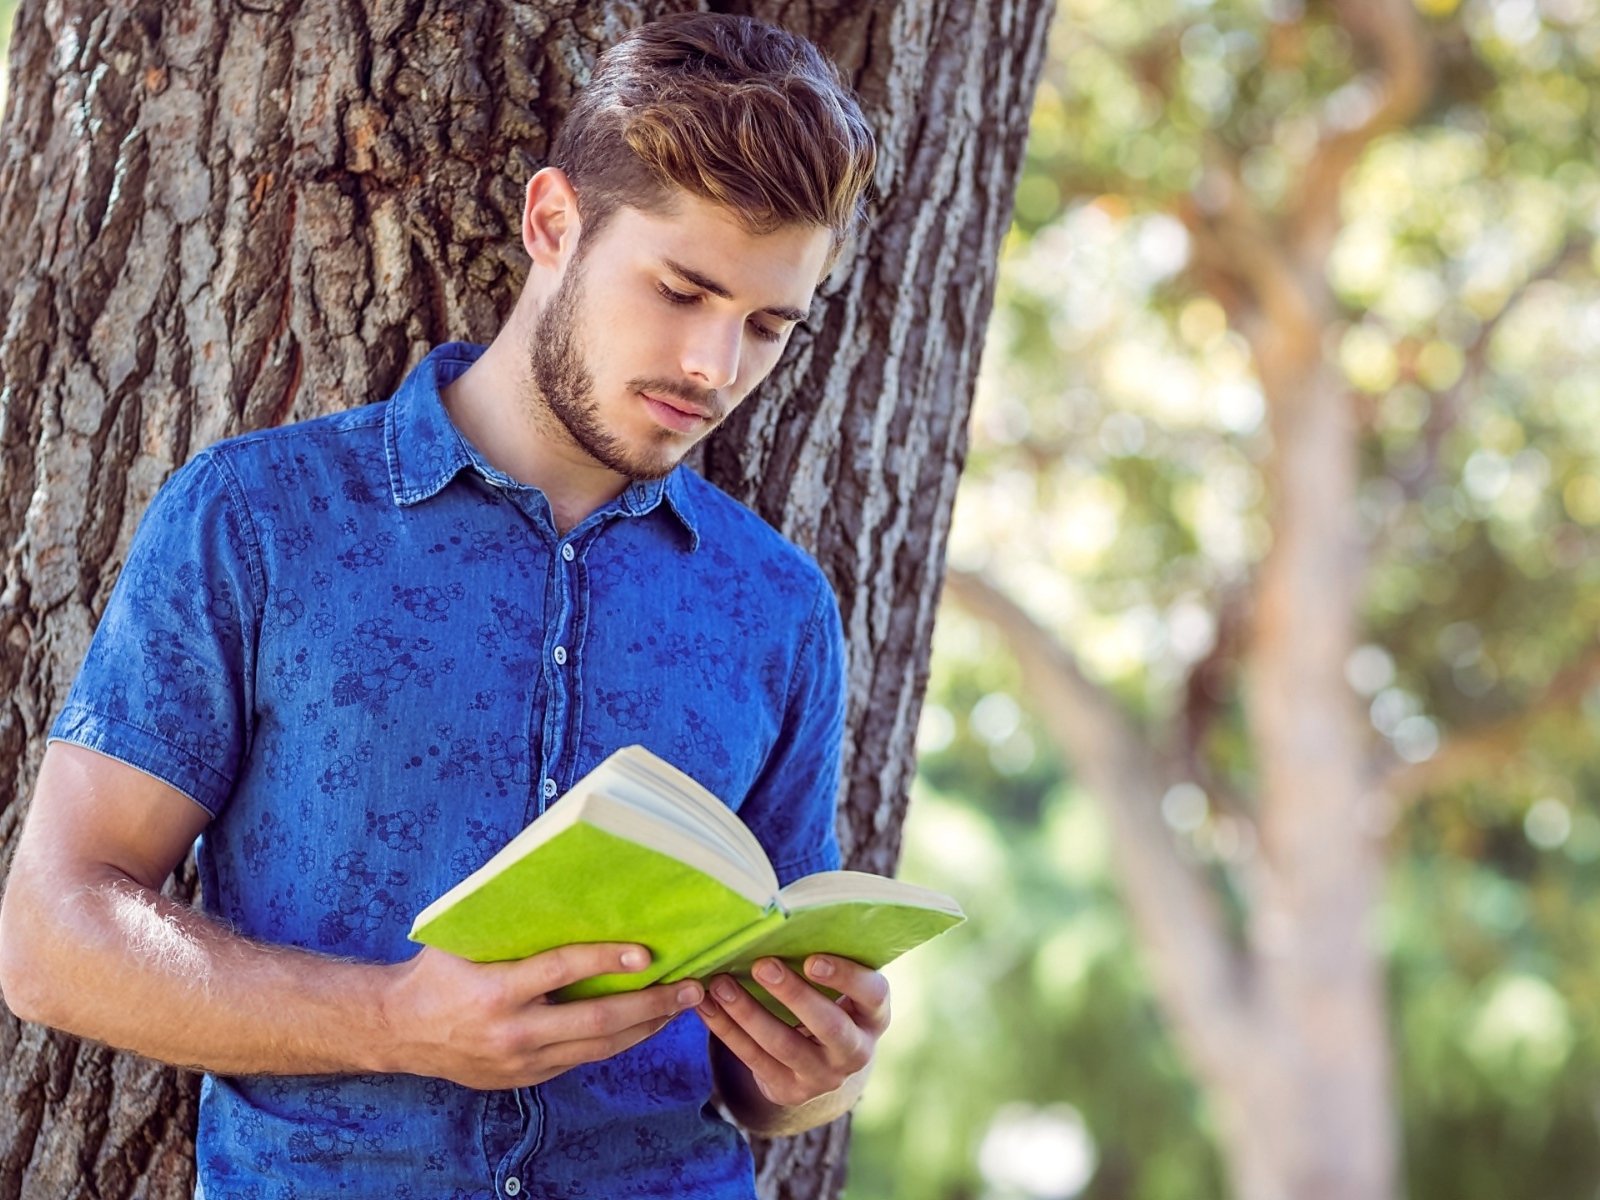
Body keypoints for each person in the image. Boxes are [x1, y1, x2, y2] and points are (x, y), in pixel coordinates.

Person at [0, 14, 885, 1198]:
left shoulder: (779, 608)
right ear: (553, 225)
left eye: (766, 326)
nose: (714, 367)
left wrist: (816, 1066)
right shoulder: (260, 520)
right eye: (682, 291)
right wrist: (394, 1020)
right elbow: (53, 937)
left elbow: (766, 1086)